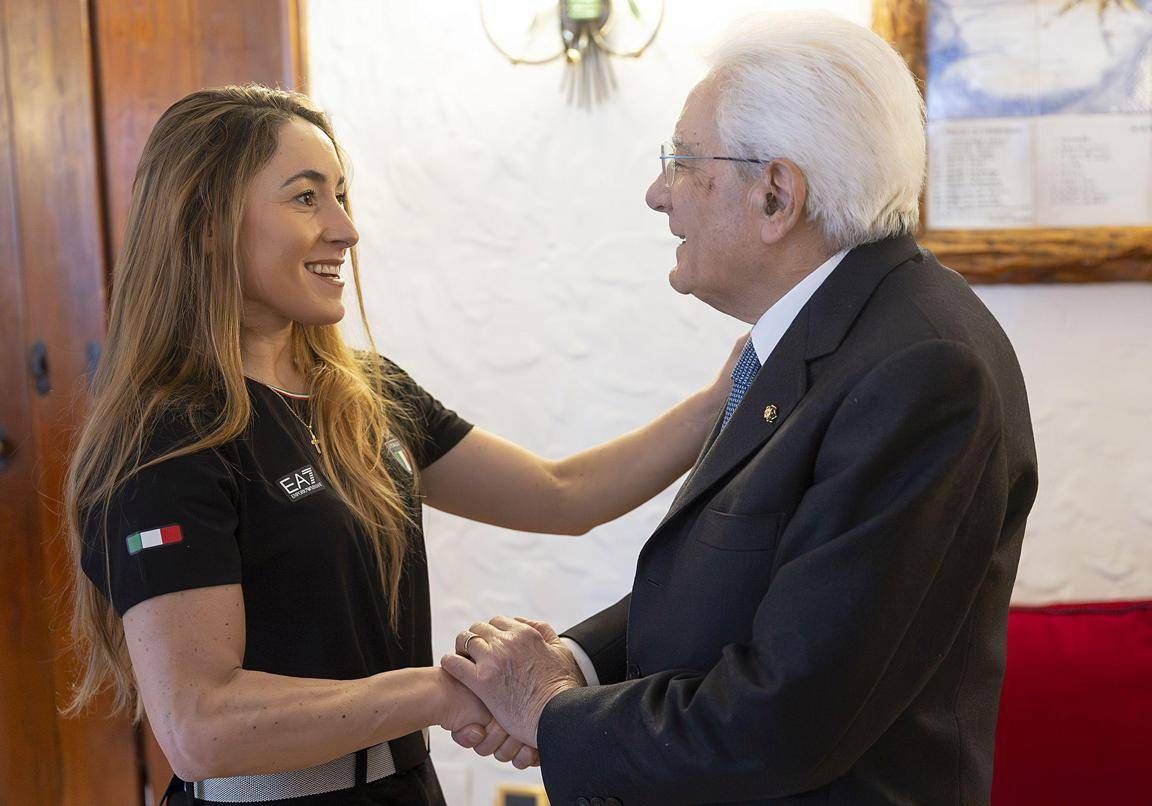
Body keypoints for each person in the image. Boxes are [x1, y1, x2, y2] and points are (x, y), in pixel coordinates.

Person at [62, 85, 742, 805]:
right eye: (306, 198)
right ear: (205, 221)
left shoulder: (367, 394)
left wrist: (725, 397)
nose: (345, 229)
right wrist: (442, 692)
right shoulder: (168, 442)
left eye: (340, 195)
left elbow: (562, 495)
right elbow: (201, 726)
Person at [442, 12, 1039, 805]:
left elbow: (787, 718)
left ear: (776, 195)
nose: (658, 194)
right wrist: (572, 665)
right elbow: (740, 582)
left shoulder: (921, 370)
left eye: (682, 162)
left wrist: (553, 714)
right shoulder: (840, 330)